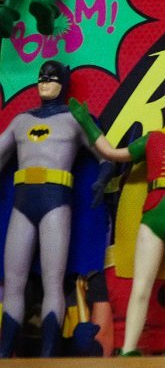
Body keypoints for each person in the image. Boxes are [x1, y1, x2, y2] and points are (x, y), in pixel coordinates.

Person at [69, 83, 165, 356]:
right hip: (151, 215)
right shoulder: (151, 139)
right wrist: (88, 125)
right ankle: (128, 349)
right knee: (140, 288)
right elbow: (113, 153)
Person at [0, 61, 103, 357]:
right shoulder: (20, 121)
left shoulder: (74, 119)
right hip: (23, 201)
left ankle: (49, 353)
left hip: (55, 202)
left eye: (52, 76)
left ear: (64, 82)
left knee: (52, 281)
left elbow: (105, 154)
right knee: (13, 282)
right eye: (41, 76)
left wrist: (105, 174)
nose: (44, 81)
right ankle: (5, 351)